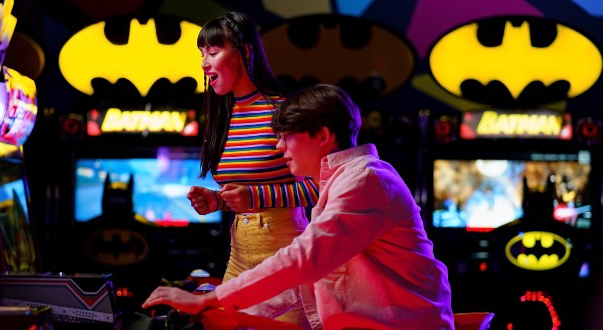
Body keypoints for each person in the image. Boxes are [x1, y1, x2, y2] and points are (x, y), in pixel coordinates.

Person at [144, 84, 455, 329]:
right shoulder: (342, 180)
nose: (279, 147)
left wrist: (211, 299)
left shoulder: (365, 180)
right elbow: (307, 276)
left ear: (322, 135)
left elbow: (304, 259)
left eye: (286, 136)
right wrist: (224, 309)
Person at [186, 11, 319, 327]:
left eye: (214, 52)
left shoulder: (283, 110)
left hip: (284, 248)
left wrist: (256, 197)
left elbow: (320, 185)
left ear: (244, 52)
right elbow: (245, 191)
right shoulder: (223, 114)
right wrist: (218, 200)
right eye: (202, 54)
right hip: (239, 252)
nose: (205, 63)